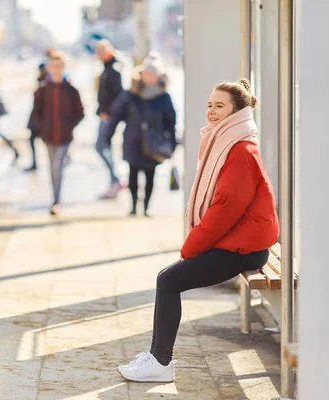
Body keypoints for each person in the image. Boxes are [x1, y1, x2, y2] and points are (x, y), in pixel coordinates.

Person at [116, 79, 280, 383]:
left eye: (220, 106)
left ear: (237, 112)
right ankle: (156, 357)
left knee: (169, 279)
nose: (212, 112)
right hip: (244, 241)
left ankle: (161, 363)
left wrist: (192, 247)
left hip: (247, 248)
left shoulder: (241, 150)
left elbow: (225, 208)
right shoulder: (231, 143)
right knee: (170, 278)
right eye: (210, 105)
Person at [105, 57, 176, 217]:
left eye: (153, 74)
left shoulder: (164, 97)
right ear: (141, 74)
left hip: (154, 143)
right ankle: (132, 206)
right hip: (133, 140)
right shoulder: (130, 94)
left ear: (158, 76)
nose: (149, 77)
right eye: (147, 73)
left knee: (151, 175)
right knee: (133, 173)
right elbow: (116, 115)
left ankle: (146, 208)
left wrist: (171, 143)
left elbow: (171, 122)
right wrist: (108, 133)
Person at [31, 51, 84, 216]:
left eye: (59, 66)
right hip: (48, 137)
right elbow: (36, 112)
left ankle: (56, 201)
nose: (56, 69)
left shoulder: (71, 90)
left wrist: (69, 126)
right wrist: (42, 127)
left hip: (65, 137)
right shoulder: (43, 90)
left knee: (57, 167)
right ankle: (55, 196)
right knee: (52, 167)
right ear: (49, 68)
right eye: (53, 66)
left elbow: (80, 112)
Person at [95, 39, 124, 199]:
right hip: (105, 115)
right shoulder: (108, 67)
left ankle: (116, 180)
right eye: (98, 52)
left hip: (109, 117)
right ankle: (115, 182)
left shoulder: (114, 68)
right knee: (106, 148)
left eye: (102, 51)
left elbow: (119, 95)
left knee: (100, 146)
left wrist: (110, 113)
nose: (99, 55)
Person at [25, 62, 49, 172]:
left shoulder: (46, 83)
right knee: (34, 140)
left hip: (42, 118)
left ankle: (62, 158)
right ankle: (34, 163)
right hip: (37, 117)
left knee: (48, 142)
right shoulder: (41, 81)